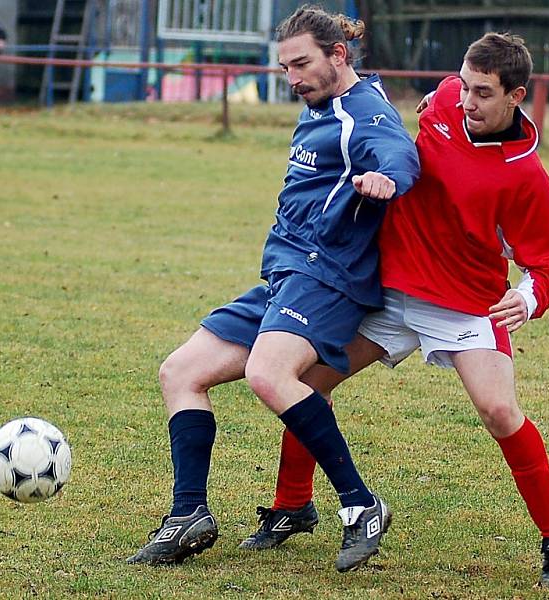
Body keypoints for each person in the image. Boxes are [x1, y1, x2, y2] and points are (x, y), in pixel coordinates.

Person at [239, 32, 549, 590]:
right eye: (464, 86)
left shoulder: (525, 176)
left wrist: (529, 296)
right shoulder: (448, 98)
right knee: (306, 383)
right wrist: (438, 101)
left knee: (499, 413)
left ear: (515, 96)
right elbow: (440, 98)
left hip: (465, 306)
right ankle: (292, 507)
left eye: (483, 94)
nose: (467, 101)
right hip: (391, 292)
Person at [126, 5, 420, 572]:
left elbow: (398, 152)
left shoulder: (364, 110)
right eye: (285, 67)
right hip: (288, 276)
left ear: (340, 55)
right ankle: (188, 513)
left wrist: (388, 178)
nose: (293, 78)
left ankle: (361, 506)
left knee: (268, 373)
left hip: (330, 277)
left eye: (302, 64)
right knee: (180, 372)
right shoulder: (318, 105)